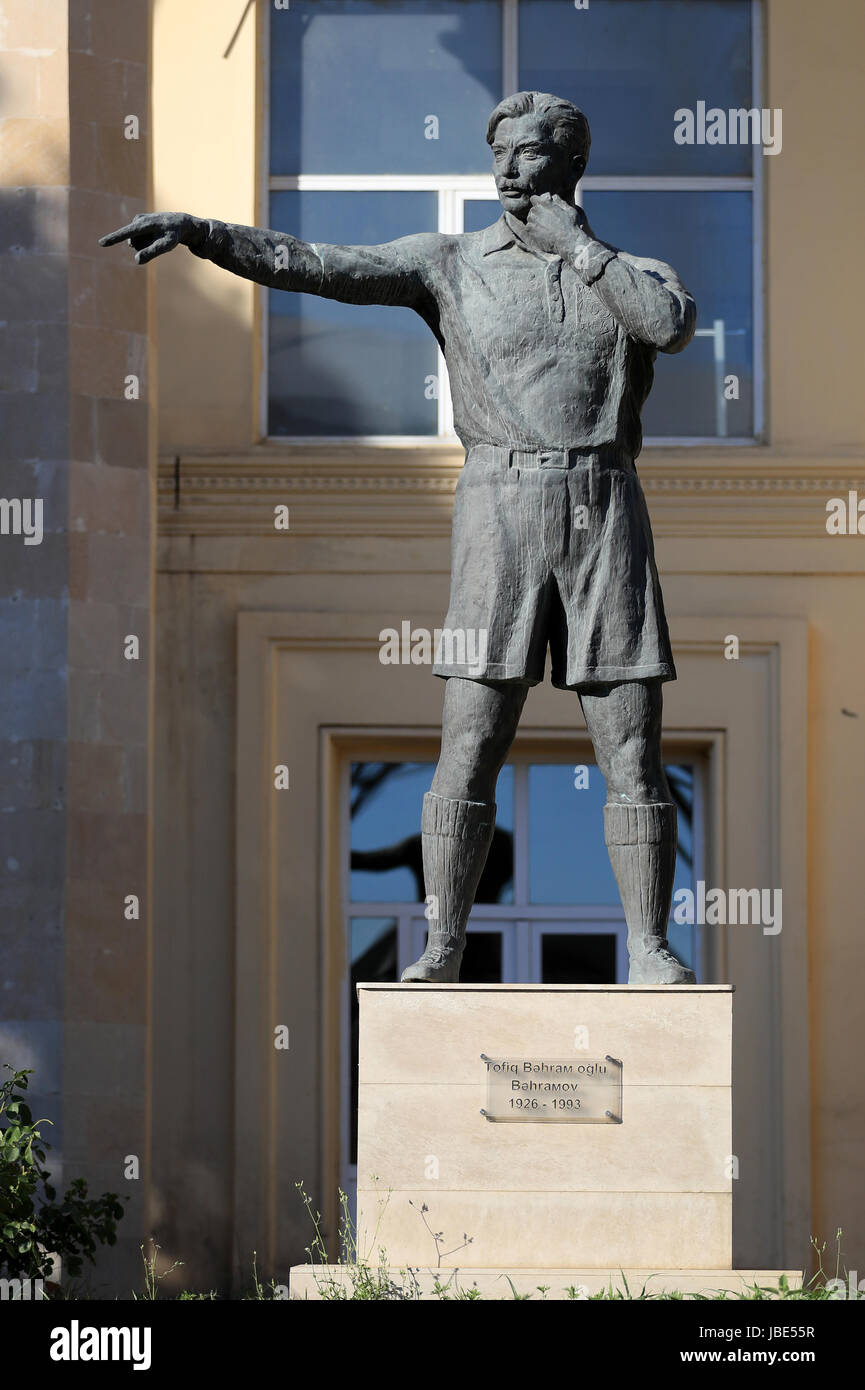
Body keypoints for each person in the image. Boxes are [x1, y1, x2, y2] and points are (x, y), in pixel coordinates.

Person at [102, 91, 697, 985]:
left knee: (631, 745)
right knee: (469, 737)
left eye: (527, 152)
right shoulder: (447, 263)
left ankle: (649, 949)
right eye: (496, 151)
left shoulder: (628, 272)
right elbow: (317, 264)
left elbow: (667, 326)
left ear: (570, 165)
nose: (505, 169)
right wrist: (204, 232)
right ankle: (444, 946)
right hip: (497, 505)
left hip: (604, 508)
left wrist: (580, 248)